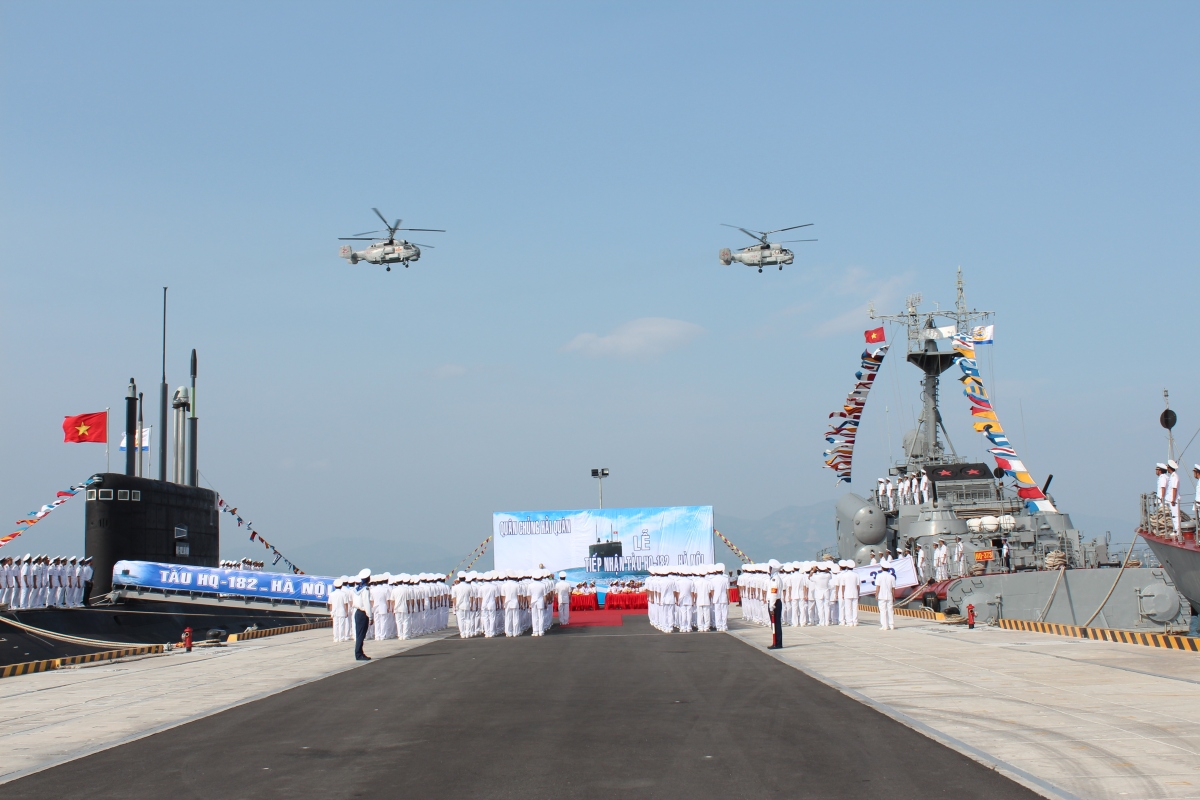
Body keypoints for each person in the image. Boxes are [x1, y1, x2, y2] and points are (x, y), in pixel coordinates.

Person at [351, 569, 373, 660]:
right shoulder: (365, 589)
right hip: (363, 613)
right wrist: (370, 616)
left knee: (359, 634)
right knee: (361, 635)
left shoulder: (356, 588)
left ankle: (359, 652)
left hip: (357, 612)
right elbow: (366, 603)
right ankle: (359, 654)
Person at [873, 565, 896, 630]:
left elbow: (878, 586)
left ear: (882, 568)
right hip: (889, 595)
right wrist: (893, 596)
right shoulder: (892, 577)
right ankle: (891, 625)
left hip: (881, 595)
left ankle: (884, 625)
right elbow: (893, 588)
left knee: (883, 611)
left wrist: (876, 594)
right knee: (890, 610)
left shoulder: (879, 576)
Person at [767, 562, 783, 649]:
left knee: (775, 624)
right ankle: (776, 642)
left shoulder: (774, 579)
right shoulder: (775, 577)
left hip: (775, 602)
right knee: (775, 623)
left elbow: (773, 593)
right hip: (776, 602)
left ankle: (777, 642)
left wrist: (771, 606)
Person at [710, 564, 730, 632]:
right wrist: (728, 598)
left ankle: (718, 626)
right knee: (724, 612)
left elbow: (712, 590)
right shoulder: (725, 579)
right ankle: (724, 626)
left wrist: (713, 597)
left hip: (716, 598)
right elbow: (727, 590)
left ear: (716, 571)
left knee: (717, 613)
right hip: (724, 597)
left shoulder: (713, 580)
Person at [841, 560, 860, 626]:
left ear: (847, 567)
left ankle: (849, 622)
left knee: (848, 608)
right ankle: (855, 621)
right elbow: (858, 586)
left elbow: (843, 586)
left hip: (847, 593)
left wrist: (842, 594)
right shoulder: (856, 575)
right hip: (855, 593)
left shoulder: (844, 575)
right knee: (855, 608)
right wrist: (858, 593)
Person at [1167, 460, 1182, 538]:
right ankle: (1175, 530)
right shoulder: (1172, 476)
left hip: (1174, 499)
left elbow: (1174, 488)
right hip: (1172, 498)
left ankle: (1177, 531)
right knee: (1174, 515)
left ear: (1170, 467)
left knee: (1176, 515)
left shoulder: (1174, 476)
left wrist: (1173, 500)